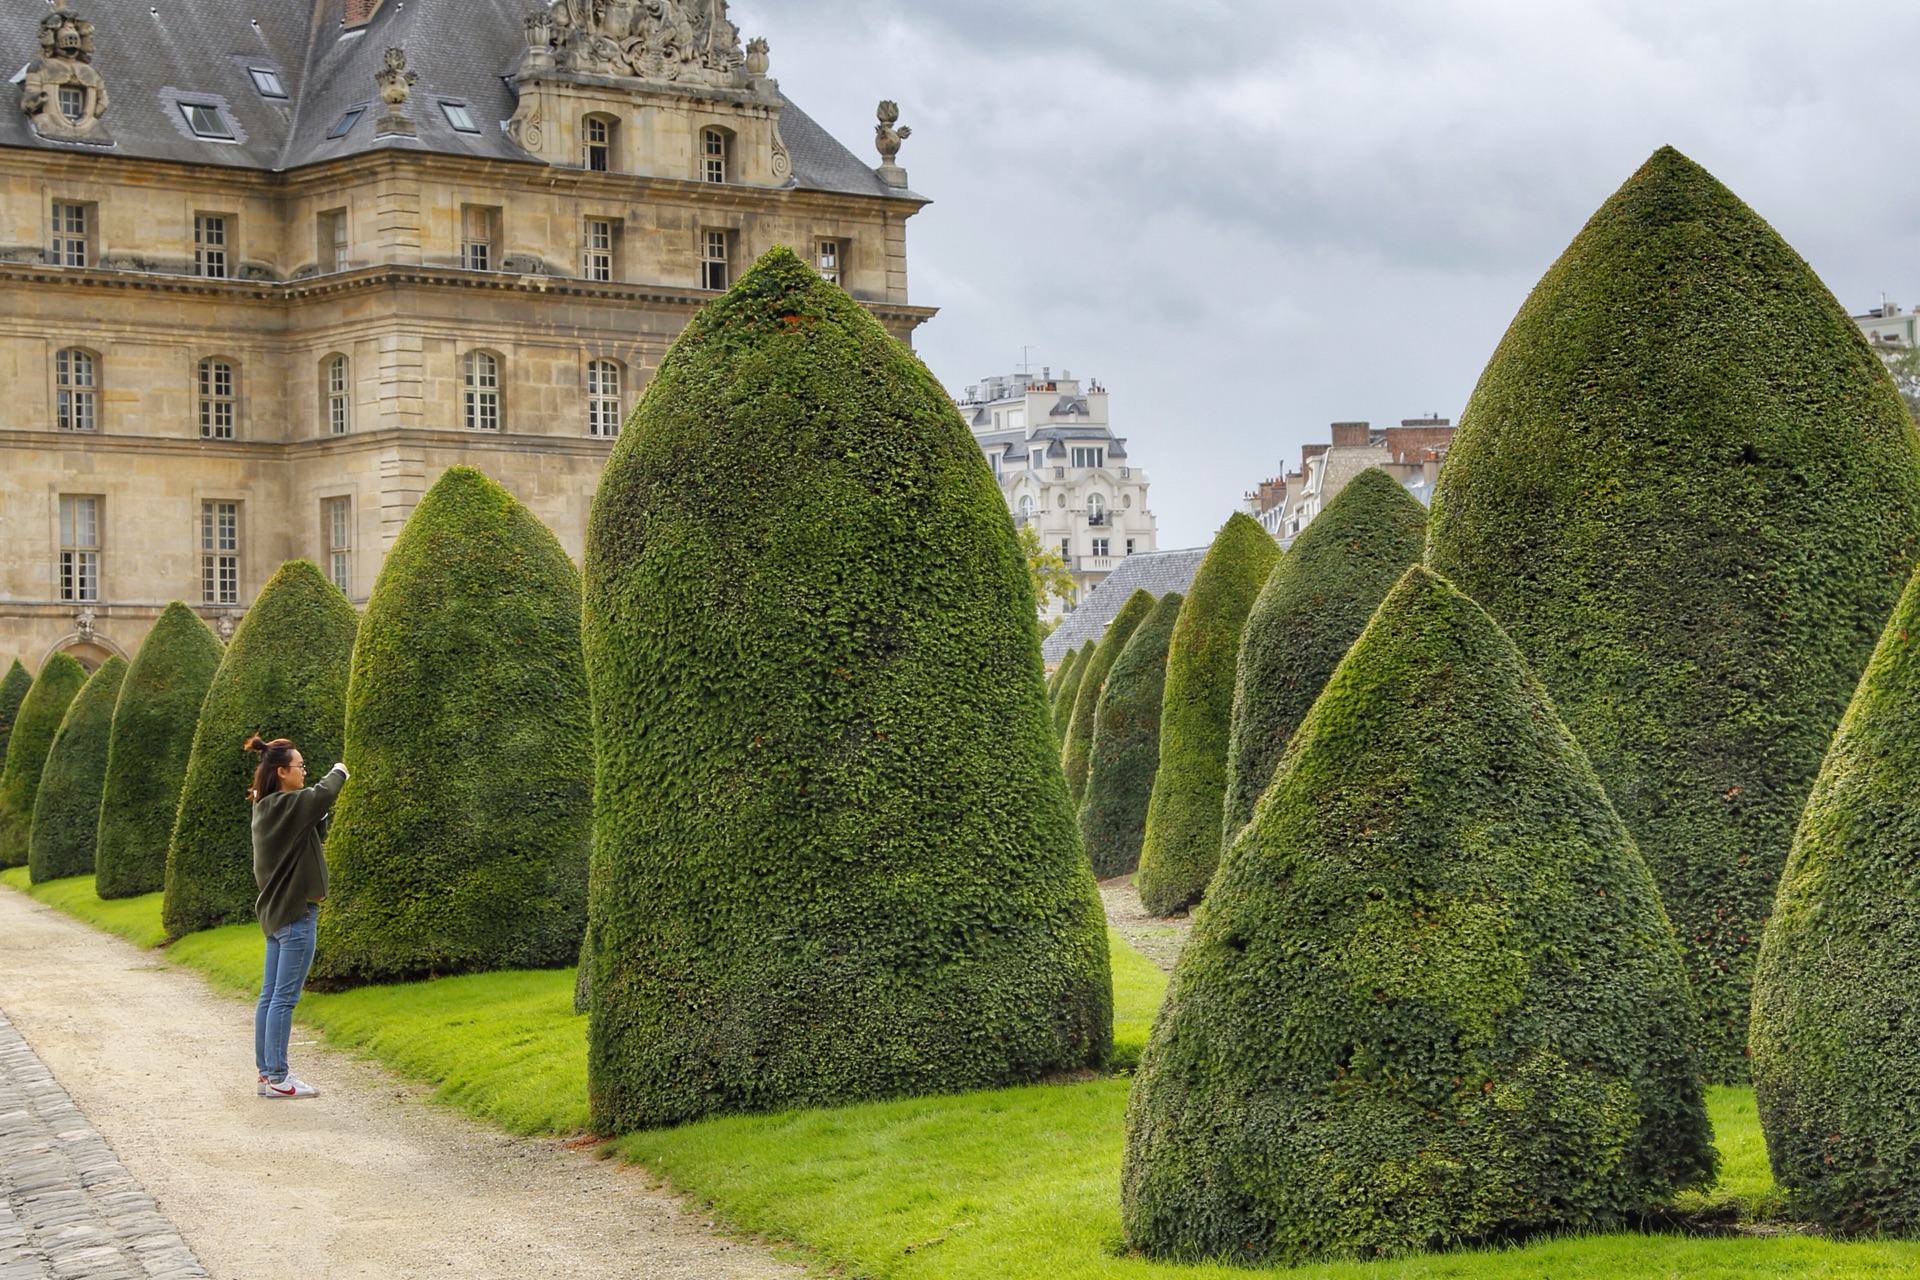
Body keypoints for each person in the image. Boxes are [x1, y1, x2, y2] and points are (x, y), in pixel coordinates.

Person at [247, 735, 348, 1100]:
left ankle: (267, 1074)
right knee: (284, 999)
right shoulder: (283, 805)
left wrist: (317, 811)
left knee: (270, 996)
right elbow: (323, 794)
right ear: (281, 772)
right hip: (296, 914)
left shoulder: (269, 806)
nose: (304, 772)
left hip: (279, 917)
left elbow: (314, 827)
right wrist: (341, 770)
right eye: (300, 767)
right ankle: (277, 1076)